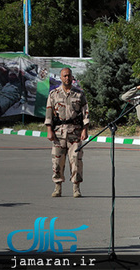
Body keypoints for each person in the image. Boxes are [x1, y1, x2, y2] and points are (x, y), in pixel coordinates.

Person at [44, 67, 89, 198]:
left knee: (76, 161)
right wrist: (49, 130)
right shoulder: (54, 94)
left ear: (72, 76)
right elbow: (49, 112)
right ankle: (57, 187)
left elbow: (85, 112)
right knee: (57, 162)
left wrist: (85, 129)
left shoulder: (79, 94)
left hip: (75, 132)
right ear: (61, 77)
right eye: (64, 76)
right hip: (58, 133)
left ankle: (76, 188)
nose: (67, 78)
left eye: (69, 75)